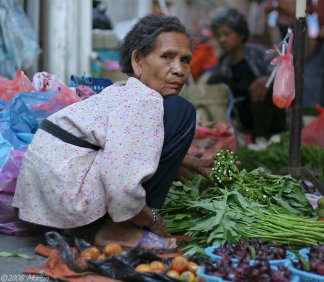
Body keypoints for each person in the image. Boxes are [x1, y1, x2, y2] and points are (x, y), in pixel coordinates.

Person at [12, 14, 208, 251]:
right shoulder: (145, 101)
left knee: (174, 111)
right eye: (167, 57)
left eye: (185, 60)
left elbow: (121, 148)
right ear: (137, 61)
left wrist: (182, 160)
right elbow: (121, 183)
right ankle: (120, 229)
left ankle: (93, 227)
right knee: (182, 110)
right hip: (67, 195)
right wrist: (151, 220)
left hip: (43, 200)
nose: (179, 69)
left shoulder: (123, 93)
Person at [209, 8, 286, 143]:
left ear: (240, 34)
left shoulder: (257, 52)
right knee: (215, 79)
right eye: (218, 35)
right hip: (246, 116)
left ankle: (261, 139)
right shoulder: (225, 63)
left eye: (226, 34)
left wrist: (267, 81)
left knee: (260, 88)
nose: (222, 40)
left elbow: (282, 74)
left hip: (270, 115)